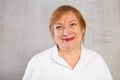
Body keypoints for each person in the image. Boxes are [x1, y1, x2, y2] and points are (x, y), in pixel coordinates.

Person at [23, 5, 113, 80]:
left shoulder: (97, 61)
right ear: (52, 33)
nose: (66, 32)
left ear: (83, 28)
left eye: (72, 24)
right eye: (59, 27)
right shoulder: (37, 63)